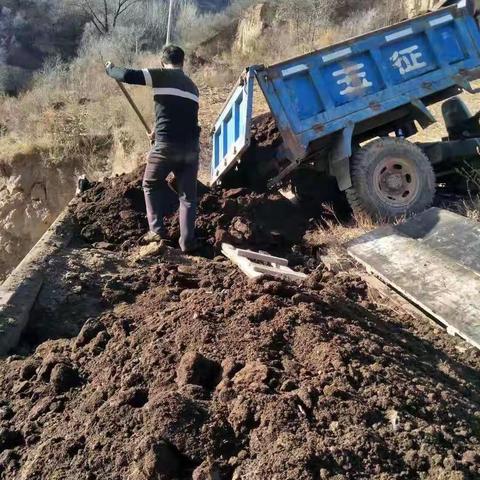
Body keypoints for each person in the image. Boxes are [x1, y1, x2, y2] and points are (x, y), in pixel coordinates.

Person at [105, 45, 200, 253]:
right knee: (188, 199)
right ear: (183, 63)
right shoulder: (193, 88)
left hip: (166, 147)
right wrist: (156, 130)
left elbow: (128, 75)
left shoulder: (160, 75)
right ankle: (187, 243)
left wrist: (111, 69)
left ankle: (157, 231)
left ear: (162, 62)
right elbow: (179, 115)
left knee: (150, 183)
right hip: (191, 150)